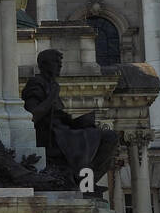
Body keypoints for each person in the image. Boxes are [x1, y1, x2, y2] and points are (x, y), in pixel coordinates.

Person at [21, 48, 118, 186]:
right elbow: (32, 116)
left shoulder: (53, 84)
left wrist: (76, 121)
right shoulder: (36, 83)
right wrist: (52, 97)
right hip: (50, 135)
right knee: (107, 138)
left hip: (63, 131)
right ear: (44, 64)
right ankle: (84, 182)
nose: (60, 65)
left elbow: (57, 114)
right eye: (56, 62)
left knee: (109, 137)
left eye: (60, 62)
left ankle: (87, 182)